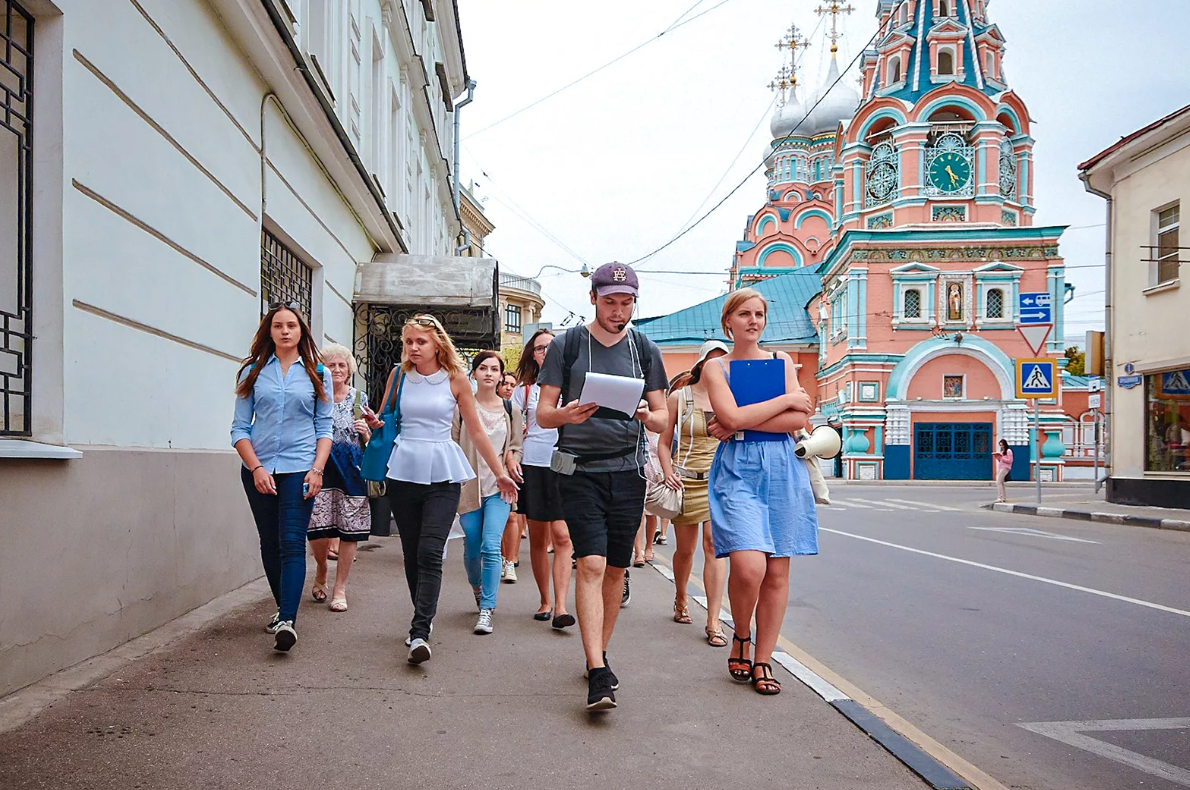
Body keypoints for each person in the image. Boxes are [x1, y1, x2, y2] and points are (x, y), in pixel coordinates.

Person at [536, 262, 669, 711]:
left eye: (626, 302)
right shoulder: (567, 345)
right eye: (610, 301)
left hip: (627, 470)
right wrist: (566, 414)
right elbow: (543, 413)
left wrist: (650, 418)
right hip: (576, 468)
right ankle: (596, 670)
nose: (618, 310)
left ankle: (600, 651)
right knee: (589, 563)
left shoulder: (645, 349)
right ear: (593, 299)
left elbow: (662, 415)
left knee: (616, 568)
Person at [363, 315, 516, 665]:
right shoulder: (399, 375)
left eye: (421, 342)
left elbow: (476, 432)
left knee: (431, 551)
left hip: (443, 472)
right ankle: (421, 616)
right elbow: (388, 416)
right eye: (409, 342)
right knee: (413, 551)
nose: (414, 348)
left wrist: (500, 473)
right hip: (403, 470)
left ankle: (420, 630)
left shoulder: (456, 379)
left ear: (437, 344)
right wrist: (376, 423)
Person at [701, 288, 817, 696]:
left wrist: (739, 423)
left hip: (783, 468)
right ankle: (741, 634)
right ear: (728, 321)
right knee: (750, 566)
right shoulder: (716, 368)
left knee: (778, 569)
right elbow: (731, 415)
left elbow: (799, 419)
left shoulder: (781, 360)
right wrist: (783, 400)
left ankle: (764, 659)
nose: (753, 321)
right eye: (745, 314)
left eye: (759, 315)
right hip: (738, 468)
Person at [231, 302, 333, 652]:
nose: (285, 331)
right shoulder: (253, 372)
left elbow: (325, 427)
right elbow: (240, 428)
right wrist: (256, 467)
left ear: (301, 331)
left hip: (300, 468)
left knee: (291, 541)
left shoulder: (318, 371)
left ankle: (288, 620)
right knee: (270, 542)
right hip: (259, 470)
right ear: (269, 331)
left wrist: (317, 469)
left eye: (292, 325)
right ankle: (281, 609)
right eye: (278, 326)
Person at [658, 339, 730, 647]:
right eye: (713, 362)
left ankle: (714, 620)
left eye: (723, 363)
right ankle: (681, 596)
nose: (718, 368)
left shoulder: (732, 398)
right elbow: (663, 443)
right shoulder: (679, 397)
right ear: (701, 365)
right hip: (686, 481)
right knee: (685, 551)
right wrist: (668, 471)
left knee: (714, 546)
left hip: (722, 481)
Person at [453, 351, 523, 635]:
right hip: (468, 489)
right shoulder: (461, 408)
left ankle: (486, 609)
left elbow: (515, 445)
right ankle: (477, 588)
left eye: (495, 369)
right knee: (472, 548)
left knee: (491, 545)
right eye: (483, 368)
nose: (489, 373)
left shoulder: (510, 410)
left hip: (499, 488)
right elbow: (452, 444)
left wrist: (511, 462)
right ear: (474, 373)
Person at [511, 328, 575, 629]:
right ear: (532, 354)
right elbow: (510, 428)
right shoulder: (524, 389)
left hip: (565, 462)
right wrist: (510, 458)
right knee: (537, 537)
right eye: (539, 348)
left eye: (550, 346)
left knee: (562, 535)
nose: (545, 352)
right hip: (533, 463)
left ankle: (561, 606)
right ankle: (545, 600)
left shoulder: (572, 384)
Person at [306, 343, 372, 612]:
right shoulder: (314, 396)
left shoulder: (359, 398)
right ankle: (322, 569)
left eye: (341, 365)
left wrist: (366, 432)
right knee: (317, 528)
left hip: (351, 470)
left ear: (349, 371)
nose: (336, 370)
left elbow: (370, 439)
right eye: (330, 365)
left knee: (349, 531)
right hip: (320, 468)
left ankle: (340, 588)